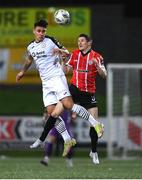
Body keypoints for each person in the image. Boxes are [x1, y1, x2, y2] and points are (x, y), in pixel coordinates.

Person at [16, 19, 104, 157]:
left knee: (68, 104)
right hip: (45, 83)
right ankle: (68, 140)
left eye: (43, 31)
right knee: (53, 113)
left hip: (57, 77)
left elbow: (67, 53)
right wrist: (22, 71)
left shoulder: (50, 40)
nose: (41, 33)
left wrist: (60, 51)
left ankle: (96, 124)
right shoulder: (30, 46)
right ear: (34, 31)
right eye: (39, 31)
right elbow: (29, 59)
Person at [64, 33, 107, 164]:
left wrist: (97, 66)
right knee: (60, 105)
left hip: (89, 93)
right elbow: (65, 70)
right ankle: (71, 118)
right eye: (78, 41)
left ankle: (93, 152)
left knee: (94, 124)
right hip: (75, 89)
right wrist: (61, 60)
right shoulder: (75, 54)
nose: (80, 43)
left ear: (89, 42)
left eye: (82, 41)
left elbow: (104, 75)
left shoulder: (97, 57)